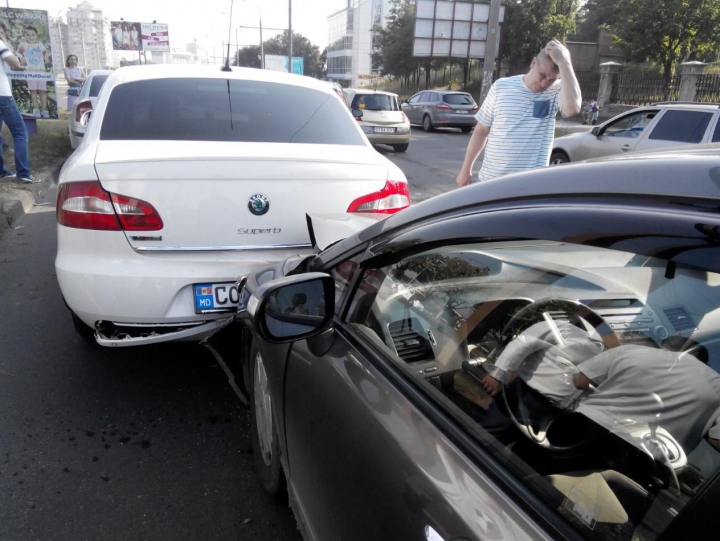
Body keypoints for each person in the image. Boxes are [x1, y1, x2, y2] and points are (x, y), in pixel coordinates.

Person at [456, 40, 581, 186]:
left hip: (530, 186)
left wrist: (565, 62)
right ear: (533, 63)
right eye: (542, 75)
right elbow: (481, 130)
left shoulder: (555, 91)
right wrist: (466, 170)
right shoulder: (501, 87)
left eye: (551, 80)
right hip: (491, 182)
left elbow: (572, 108)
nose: (544, 83)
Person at [0, 34, 36, 182]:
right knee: (20, 133)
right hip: (2, 96)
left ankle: (2, 172)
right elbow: (15, 63)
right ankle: (23, 173)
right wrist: (5, 41)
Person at [16, 25, 50, 119]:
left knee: (42, 91)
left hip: (41, 71)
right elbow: (17, 52)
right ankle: (36, 110)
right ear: (24, 36)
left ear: (36, 35)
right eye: (27, 35)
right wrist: (21, 57)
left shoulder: (40, 45)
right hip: (30, 71)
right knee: (33, 90)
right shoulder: (23, 45)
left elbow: (45, 53)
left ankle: (45, 110)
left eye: (32, 35)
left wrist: (46, 57)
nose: (30, 37)